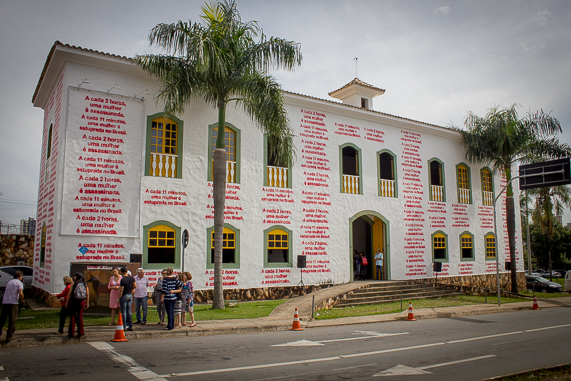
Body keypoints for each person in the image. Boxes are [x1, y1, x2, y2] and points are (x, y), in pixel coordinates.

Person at [0, 271, 25, 342]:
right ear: (20, 276)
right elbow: (21, 293)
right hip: (13, 303)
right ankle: (9, 335)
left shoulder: (9, 282)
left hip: (5, 302)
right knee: (12, 320)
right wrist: (22, 301)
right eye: (21, 277)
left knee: (2, 318)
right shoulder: (19, 283)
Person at [66, 272, 89, 338]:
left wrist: (67, 302)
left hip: (73, 301)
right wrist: (87, 302)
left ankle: (71, 333)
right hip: (81, 301)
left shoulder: (73, 283)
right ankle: (81, 332)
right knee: (80, 316)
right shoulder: (85, 284)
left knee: (72, 316)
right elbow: (87, 294)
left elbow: (69, 293)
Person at [117, 267, 136, 331]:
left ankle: (124, 325)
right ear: (127, 271)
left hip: (124, 295)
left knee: (124, 311)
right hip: (130, 295)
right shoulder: (132, 278)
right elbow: (135, 286)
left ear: (121, 272)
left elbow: (121, 290)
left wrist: (118, 298)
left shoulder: (123, 280)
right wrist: (131, 290)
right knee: (129, 311)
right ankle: (130, 325)